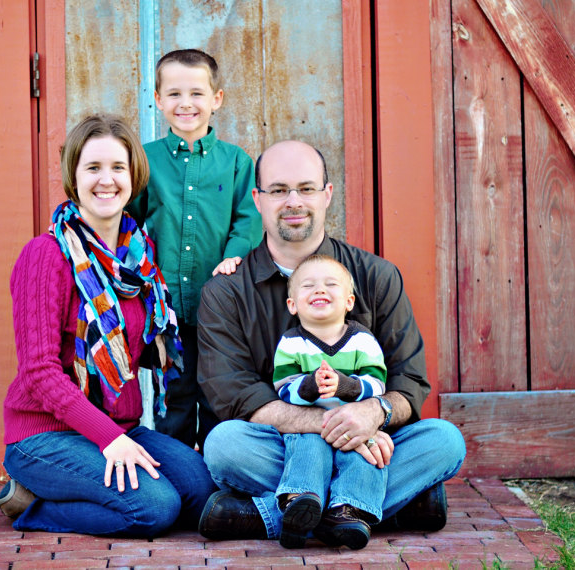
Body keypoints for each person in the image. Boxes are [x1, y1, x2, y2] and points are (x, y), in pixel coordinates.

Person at [195, 140, 466, 546]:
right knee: (223, 446)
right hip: (284, 445)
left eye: (306, 188)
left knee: (445, 441)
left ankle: (271, 514)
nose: (293, 201)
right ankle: (370, 507)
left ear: (327, 194)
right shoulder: (226, 292)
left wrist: (374, 412)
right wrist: (342, 426)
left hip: (366, 435)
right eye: (278, 190)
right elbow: (235, 396)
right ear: (258, 199)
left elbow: (409, 382)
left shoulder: (376, 276)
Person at [0, 114, 216, 537]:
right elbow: (39, 373)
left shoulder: (137, 257)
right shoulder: (46, 256)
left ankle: (87, 484)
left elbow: (130, 342)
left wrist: (162, 345)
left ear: (133, 175)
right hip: (44, 435)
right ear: (73, 176)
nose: (106, 180)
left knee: (200, 489)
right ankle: (33, 505)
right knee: (156, 508)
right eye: (93, 168)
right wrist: (109, 439)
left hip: (120, 425)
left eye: (117, 167)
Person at [127, 49, 261, 452]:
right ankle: (179, 479)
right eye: (174, 94)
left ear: (216, 99)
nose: (186, 103)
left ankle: (219, 483)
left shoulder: (236, 162)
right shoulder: (145, 161)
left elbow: (247, 219)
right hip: (166, 308)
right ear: (157, 97)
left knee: (218, 396)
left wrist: (234, 255)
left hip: (220, 307)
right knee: (175, 400)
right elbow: (129, 222)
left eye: (197, 93)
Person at [272, 254, 388, 549]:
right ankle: (300, 502)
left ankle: (349, 511)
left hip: (355, 426)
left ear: (349, 301)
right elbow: (283, 388)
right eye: (308, 285)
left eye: (330, 284)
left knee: (364, 456)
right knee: (307, 449)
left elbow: (377, 383)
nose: (320, 290)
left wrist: (345, 385)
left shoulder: (362, 340)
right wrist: (310, 384)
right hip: (309, 426)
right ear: (292, 305)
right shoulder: (291, 343)